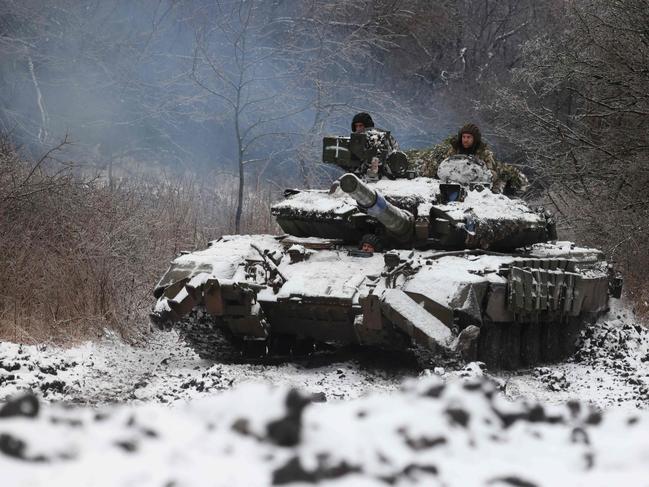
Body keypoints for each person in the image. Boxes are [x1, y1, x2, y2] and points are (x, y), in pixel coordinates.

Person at [410, 123, 528, 194]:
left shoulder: (484, 153)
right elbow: (446, 165)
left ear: (475, 139)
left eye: (469, 137)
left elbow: (490, 173)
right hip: (453, 183)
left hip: (475, 186)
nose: (465, 140)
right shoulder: (454, 150)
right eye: (464, 137)